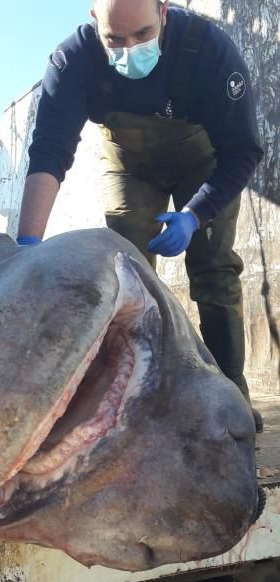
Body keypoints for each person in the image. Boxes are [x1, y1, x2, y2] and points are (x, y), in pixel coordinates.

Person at [16, 0, 264, 431]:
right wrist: (26, 246)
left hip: (203, 165)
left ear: (164, 12)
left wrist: (194, 214)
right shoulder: (73, 61)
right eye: (115, 39)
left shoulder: (210, 51)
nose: (129, 49)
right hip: (129, 166)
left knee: (215, 269)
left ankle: (231, 395)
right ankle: (137, 398)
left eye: (143, 35)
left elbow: (242, 151)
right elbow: (50, 150)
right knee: (127, 276)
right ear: (95, 22)